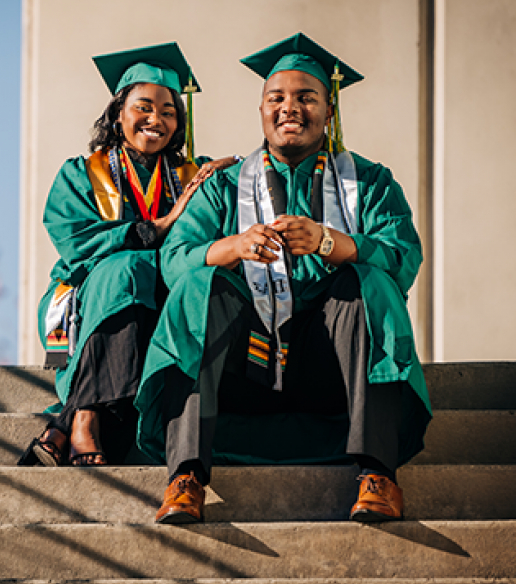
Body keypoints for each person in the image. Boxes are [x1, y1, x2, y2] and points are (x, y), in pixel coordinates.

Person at [134, 32, 432, 522]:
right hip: (246, 364)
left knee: (368, 280)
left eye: (306, 97)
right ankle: (185, 474)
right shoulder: (224, 186)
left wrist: (330, 243)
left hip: (328, 368)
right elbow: (174, 260)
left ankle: (378, 473)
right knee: (197, 284)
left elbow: (403, 256)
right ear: (261, 111)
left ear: (329, 112)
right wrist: (231, 247)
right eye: (277, 98)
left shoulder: (371, 182)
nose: (290, 108)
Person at [18, 42, 237, 467]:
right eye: (143, 107)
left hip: (161, 299)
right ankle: (83, 420)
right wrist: (155, 228)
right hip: (88, 298)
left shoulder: (195, 176)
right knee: (128, 268)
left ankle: (71, 423)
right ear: (118, 113)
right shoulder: (81, 173)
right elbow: (76, 242)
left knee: (145, 273)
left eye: (169, 111)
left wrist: (237, 171)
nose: (156, 119)